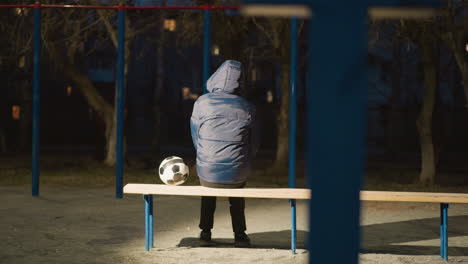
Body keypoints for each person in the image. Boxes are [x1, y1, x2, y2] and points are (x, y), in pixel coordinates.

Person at [190, 60, 259, 248]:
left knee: (208, 189)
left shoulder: (202, 103)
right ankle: (240, 235)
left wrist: (205, 154)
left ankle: (205, 232)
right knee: (236, 193)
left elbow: (196, 135)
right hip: (238, 172)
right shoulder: (247, 107)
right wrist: (243, 159)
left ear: (216, 78)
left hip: (207, 169)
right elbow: (254, 144)